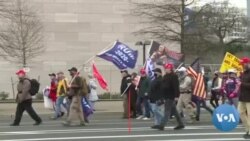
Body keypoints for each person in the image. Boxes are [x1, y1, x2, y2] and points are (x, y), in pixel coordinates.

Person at [156, 63, 184, 131]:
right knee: (174, 111)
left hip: (170, 95)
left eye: (168, 68)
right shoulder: (165, 76)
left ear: (171, 69)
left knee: (167, 111)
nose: (166, 69)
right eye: (166, 68)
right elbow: (163, 86)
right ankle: (181, 124)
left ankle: (162, 125)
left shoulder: (174, 76)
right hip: (166, 95)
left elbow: (176, 87)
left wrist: (177, 96)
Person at [238, 57, 250, 139]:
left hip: (249, 98)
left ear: (248, 63)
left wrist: (241, 84)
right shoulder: (243, 73)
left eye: (243, 64)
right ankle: (247, 129)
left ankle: (249, 132)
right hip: (242, 97)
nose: (242, 65)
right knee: (240, 112)